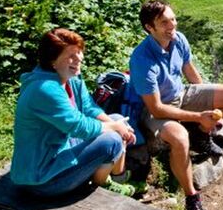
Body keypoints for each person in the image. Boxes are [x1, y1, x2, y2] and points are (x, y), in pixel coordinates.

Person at [127, 0, 223, 210]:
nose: (172, 25)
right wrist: (197, 116)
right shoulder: (142, 59)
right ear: (149, 28)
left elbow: (190, 73)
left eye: (173, 19)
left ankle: (201, 134)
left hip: (182, 94)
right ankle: (192, 198)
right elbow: (156, 108)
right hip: (155, 110)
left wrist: (209, 110)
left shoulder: (178, 39)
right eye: (164, 22)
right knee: (180, 138)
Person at [11, 28, 138, 197]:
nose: (79, 59)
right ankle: (104, 183)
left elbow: (89, 108)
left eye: (79, 52)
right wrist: (114, 128)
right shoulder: (44, 89)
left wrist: (116, 124)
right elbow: (79, 126)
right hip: (42, 179)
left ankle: (117, 178)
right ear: (52, 61)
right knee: (112, 139)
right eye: (71, 55)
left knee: (118, 119)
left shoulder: (70, 77)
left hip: (60, 152)